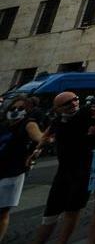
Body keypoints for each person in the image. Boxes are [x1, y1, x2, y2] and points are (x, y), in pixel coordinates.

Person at [35, 91, 95, 244]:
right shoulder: (57, 121)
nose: (73, 103)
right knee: (50, 214)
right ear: (57, 108)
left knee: (72, 210)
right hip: (63, 172)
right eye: (67, 103)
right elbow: (46, 135)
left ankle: (62, 241)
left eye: (75, 99)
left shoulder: (86, 112)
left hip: (83, 171)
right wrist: (37, 149)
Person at [0, 94, 43, 241]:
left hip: (12, 172)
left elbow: (39, 137)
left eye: (21, 108)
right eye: (14, 108)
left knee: (2, 211)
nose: (16, 110)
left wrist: (43, 142)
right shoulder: (4, 123)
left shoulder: (28, 123)